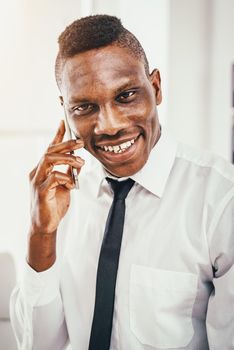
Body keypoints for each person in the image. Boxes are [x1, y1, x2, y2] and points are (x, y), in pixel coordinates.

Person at [10, 14, 234, 350]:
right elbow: (38, 345)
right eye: (84, 107)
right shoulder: (59, 200)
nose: (109, 125)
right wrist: (41, 234)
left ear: (155, 87)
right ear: (65, 111)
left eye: (126, 95)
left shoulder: (221, 200)